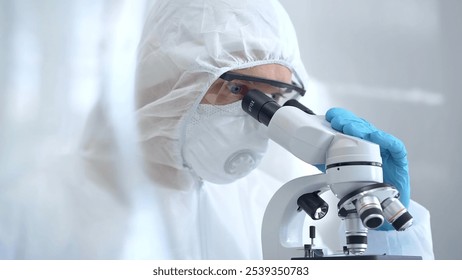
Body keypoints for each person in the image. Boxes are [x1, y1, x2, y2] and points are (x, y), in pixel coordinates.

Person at [132, 0, 434, 259]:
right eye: (238, 88)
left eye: (274, 99)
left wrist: (384, 234)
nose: (256, 116)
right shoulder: (92, 206)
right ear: (168, 78)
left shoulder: (268, 210)